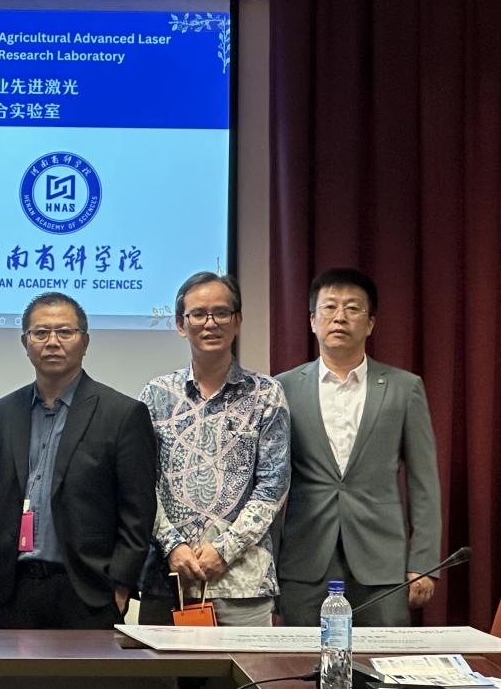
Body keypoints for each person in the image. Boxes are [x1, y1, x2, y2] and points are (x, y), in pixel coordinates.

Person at [0, 292, 156, 629]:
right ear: (25, 342)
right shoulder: (5, 411)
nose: (52, 342)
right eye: (40, 333)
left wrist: (121, 584)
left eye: (65, 332)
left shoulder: (122, 413)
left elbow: (138, 512)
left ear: (85, 342)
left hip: (88, 590)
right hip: (14, 589)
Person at [276, 267, 441, 626]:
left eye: (352, 308)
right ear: (312, 321)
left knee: (384, 660)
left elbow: (424, 483)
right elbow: (270, 484)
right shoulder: (283, 388)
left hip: (382, 563)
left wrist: (424, 562)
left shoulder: (404, 387)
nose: (340, 317)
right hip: (305, 561)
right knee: (302, 659)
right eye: (329, 307)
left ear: (370, 323)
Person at [138, 272, 290, 627]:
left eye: (221, 313)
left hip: (243, 584)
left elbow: (272, 487)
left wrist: (224, 550)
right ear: (181, 324)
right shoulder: (156, 395)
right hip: (168, 579)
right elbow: (141, 484)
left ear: (237, 321)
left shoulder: (266, 394)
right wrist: (172, 546)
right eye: (198, 314)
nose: (210, 323)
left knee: (244, 667)